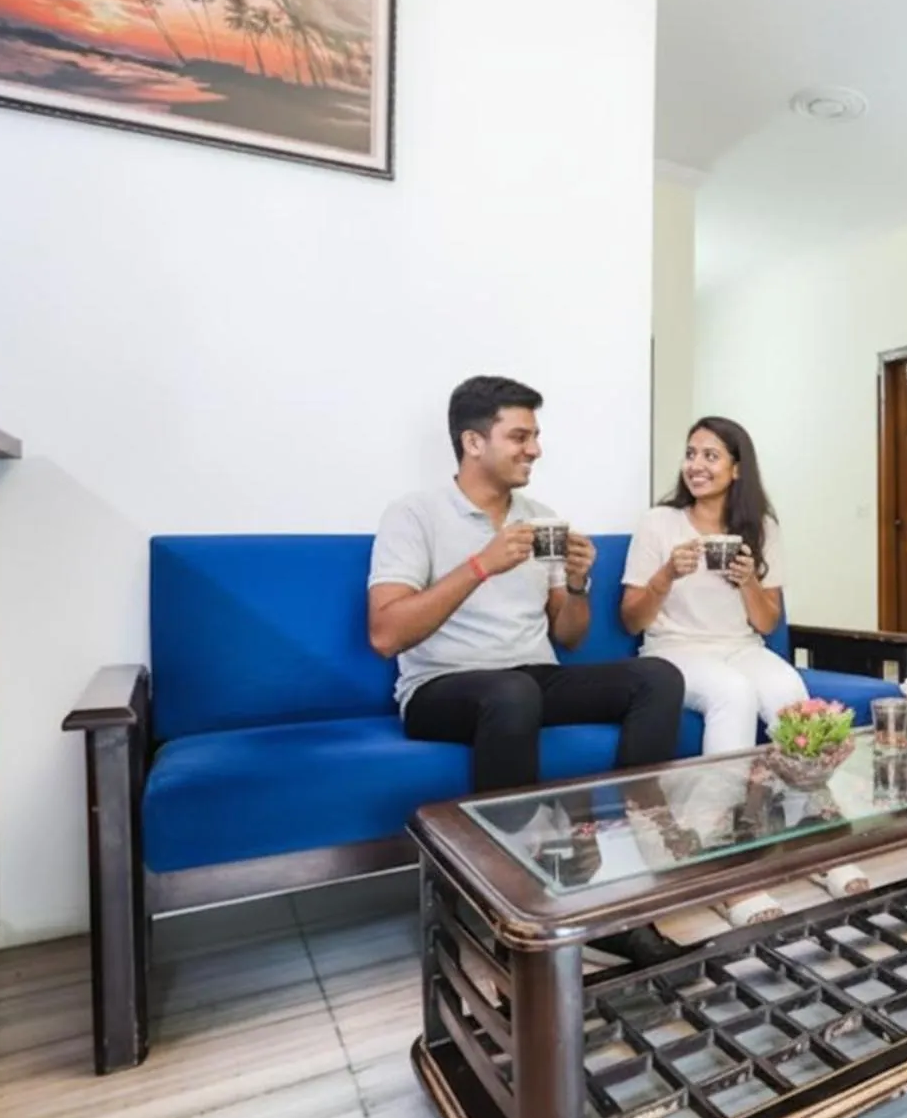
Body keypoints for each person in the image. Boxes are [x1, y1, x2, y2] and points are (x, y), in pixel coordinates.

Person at [367, 375, 688, 966]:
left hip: (529, 677)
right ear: (472, 442)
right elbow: (386, 634)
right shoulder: (414, 515)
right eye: (520, 436)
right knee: (512, 695)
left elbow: (567, 635)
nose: (535, 449)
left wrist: (577, 582)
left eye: (535, 436)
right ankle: (516, 917)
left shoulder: (541, 518)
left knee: (659, 676)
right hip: (441, 686)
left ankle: (626, 881)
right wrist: (481, 565)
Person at [621, 417, 868, 926]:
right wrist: (667, 575)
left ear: (737, 468)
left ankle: (820, 840)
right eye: (691, 453)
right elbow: (632, 619)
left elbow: (766, 622)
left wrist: (750, 582)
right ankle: (725, 863)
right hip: (673, 650)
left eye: (710, 455)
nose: (696, 465)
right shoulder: (658, 524)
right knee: (731, 694)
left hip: (740, 644)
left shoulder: (762, 528)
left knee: (789, 693)